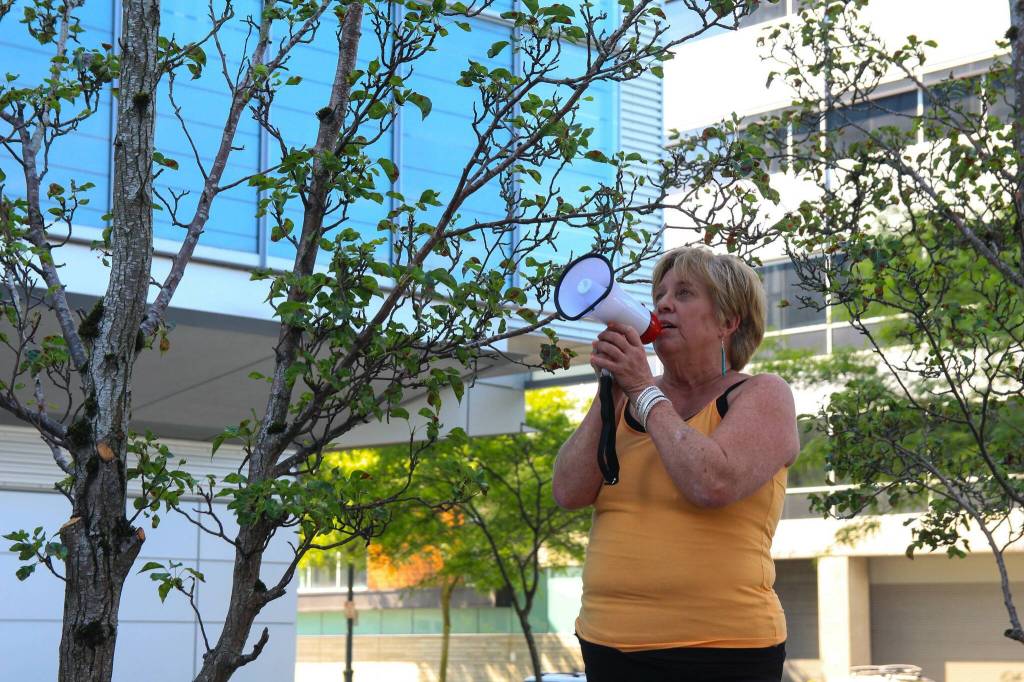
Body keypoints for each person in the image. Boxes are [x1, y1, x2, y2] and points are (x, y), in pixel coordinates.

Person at [552, 246, 800, 682]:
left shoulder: (763, 393)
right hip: (609, 646)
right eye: (660, 293)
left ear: (728, 321)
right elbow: (568, 491)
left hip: (720, 651)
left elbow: (712, 482)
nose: (663, 303)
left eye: (684, 293)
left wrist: (642, 389)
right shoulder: (632, 393)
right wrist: (610, 392)